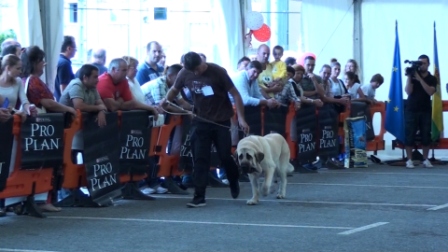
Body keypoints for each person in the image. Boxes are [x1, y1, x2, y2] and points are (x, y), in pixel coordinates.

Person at [163, 52, 249, 208]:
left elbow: (236, 95)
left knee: (224, 156)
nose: (195, 73)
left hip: (221, 119)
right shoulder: (185, 72)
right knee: (200, 159)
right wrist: (166, 100)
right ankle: (199, 196)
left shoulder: (218, 72)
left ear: (202, 62)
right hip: (200, 120)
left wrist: (241, 118)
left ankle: (233, 179)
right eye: (192, 71)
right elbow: (175, 90)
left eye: (197, 69)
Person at [404, 55, 436, 169]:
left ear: (428, 64)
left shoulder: (432, 78)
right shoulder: (412, 76)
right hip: (411, 109)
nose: (421, 65)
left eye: (423, 63)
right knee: (410, 135)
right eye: (419, 63)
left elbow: (430, 92)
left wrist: (419, 78)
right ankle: (409, 160)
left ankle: (425, 159)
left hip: (425, 110)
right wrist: (410, 77)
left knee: (426, 135)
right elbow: (408, 91)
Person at [54, 36, 77, 101]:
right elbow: (64, 90)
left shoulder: (57, 60)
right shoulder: (65, 64)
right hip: (63, 104)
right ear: (69, 48)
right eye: (75, 48)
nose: (76, 51)